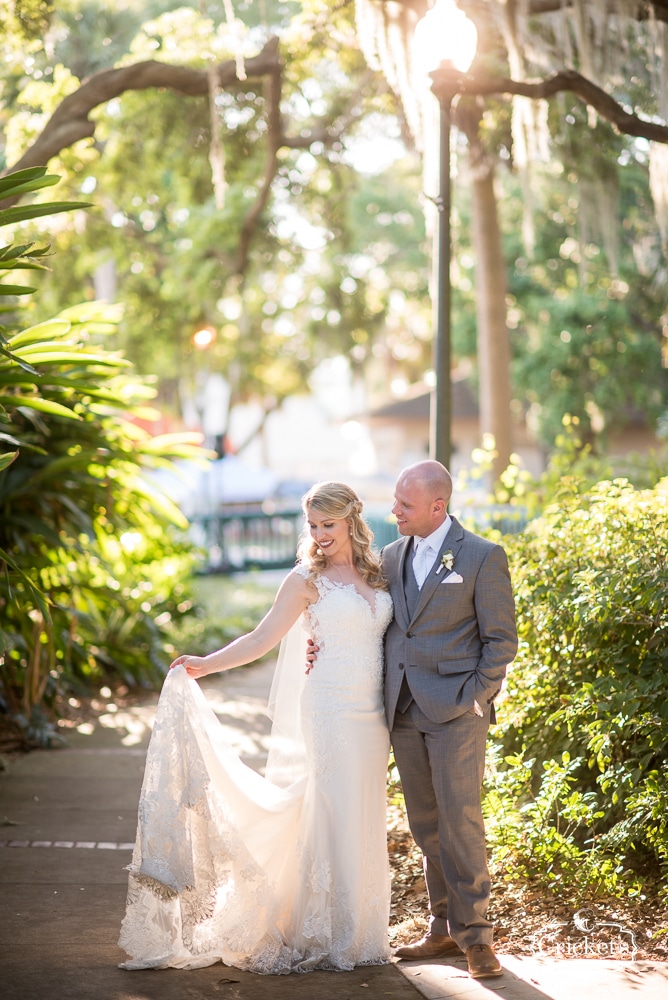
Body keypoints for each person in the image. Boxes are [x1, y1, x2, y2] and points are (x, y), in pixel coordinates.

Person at [118, 481, 393, 975]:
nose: (320, 535)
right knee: (332, 808)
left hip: (373, 716)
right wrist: (205, 663)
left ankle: (360, 930)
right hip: (329, 709)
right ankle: (319, 929)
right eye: (312, 526)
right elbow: (263, 637)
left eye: (328, 524)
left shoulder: (380, 573)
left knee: (362, 811)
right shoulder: (305, 580)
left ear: (351, 520)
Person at [385, 460, 517, 979]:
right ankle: (442, 930)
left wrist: (474, 697)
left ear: (437, 506)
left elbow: (500, 640)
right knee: (425, 824)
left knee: (461, 823)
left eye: (405, 504)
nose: (394, 510)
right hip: (403, 709)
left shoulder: (482, 556)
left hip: (457, 711)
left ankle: (477, 938)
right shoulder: (391, 556)